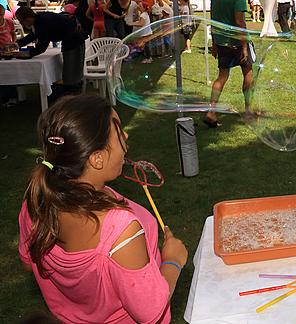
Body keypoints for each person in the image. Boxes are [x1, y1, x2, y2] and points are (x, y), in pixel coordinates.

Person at [18, 94, 188, 323]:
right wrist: (172, 261)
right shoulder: (120, 230)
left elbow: (29, 264)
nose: (126, 136)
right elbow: (150, 310)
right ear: (97, 159)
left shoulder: (37, 202)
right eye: (119, 133)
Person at [204, 0, 254, 127]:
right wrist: (245, 46)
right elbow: (240, 22)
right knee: (248, 73)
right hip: (237, 43)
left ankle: (211, 112)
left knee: (222, 76)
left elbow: (213, 21)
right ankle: (248, 111)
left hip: (221, 42)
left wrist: (215, 43)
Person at [15, 7, 86, 89]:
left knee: (71, 71)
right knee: (73, 70)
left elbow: (41, 47)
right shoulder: (39, 19)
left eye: (21, 21)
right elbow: (33, 35)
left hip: (73, 40)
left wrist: (28, 54)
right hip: (73, 38)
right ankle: (74, 90)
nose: (21, 24)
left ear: (27, 17)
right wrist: (17, 44)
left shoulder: (42, 23)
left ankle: (73, 92)